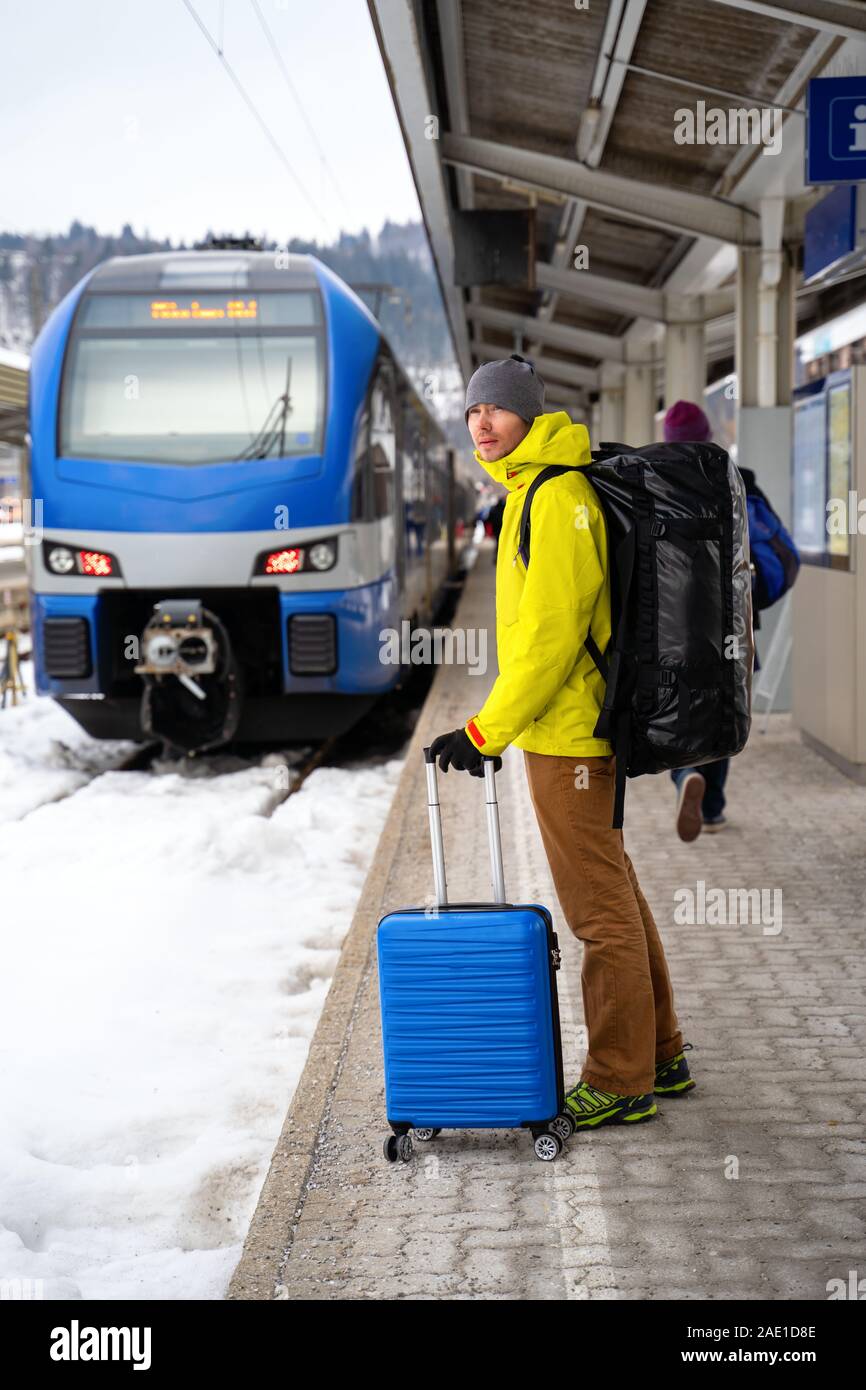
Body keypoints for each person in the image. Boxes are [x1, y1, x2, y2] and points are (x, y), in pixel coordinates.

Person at [429, 354, 695, 1131]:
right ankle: (663, 1054)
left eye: (497, 411)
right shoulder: (531, 488)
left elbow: (550, 636)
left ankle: (618, 1079)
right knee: (620, 896)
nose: (482, 424)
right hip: (568, 731)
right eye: (474, 411)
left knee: (598, 914)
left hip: (569, 738)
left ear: (527, 415)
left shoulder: (554, 495)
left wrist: (484, 731)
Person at [661, 400, 732, 842]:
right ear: (707, 437)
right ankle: (714, 807)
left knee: (678, 713)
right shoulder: (729, 482)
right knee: (722, 714)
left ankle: (684, 772)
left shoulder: (651, 483)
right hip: (726, 628)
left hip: (670, 628)